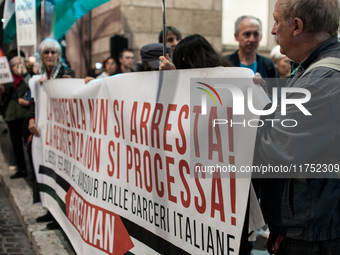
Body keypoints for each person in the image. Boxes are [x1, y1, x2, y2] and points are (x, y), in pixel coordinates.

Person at [255, 0, 340, 254]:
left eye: (277, 20)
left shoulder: (322, 81)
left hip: (313, 231)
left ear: (296, 26)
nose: (272, 30)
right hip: (311, 221)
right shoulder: (313, 71)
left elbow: (278, 149)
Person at [28, 38, 75, 230]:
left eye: (53, 52)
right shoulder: (37, 76)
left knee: (58, 172)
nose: (50, 56)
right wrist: (31, 119)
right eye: (46, 52)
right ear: (41, 55)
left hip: (60, 135)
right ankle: (49, 208)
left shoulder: (67, 74)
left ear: (58, 55)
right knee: (44, 169)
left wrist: (74, 84)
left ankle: (59, 214)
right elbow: (33, 101)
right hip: (43, 132)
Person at [226, 16, 279, 97]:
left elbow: (277, 98)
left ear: (261, 37)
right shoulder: (226, 63)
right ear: (236, 36)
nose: (252, 39)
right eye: (247, 34)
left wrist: (266, 95)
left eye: (256, 34)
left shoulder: (267, 65)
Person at [0, 52, 33, 179]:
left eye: (20, 65)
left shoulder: (28, 79)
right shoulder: (8, 82)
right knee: (16, 144)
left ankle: (33, 171)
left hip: (25, 115)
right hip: (12, 116)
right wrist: (2, 91)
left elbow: (34, 91)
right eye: (15, 66)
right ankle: (22, 169)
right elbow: (2, 102)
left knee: (28, 143)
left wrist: (28, 102)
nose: (18, 68)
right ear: (11, 68)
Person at [159, 34, 232, 70]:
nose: (174, 43)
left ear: (184, 60)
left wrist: (173, 76)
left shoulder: (202, 81)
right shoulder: (226, 71)